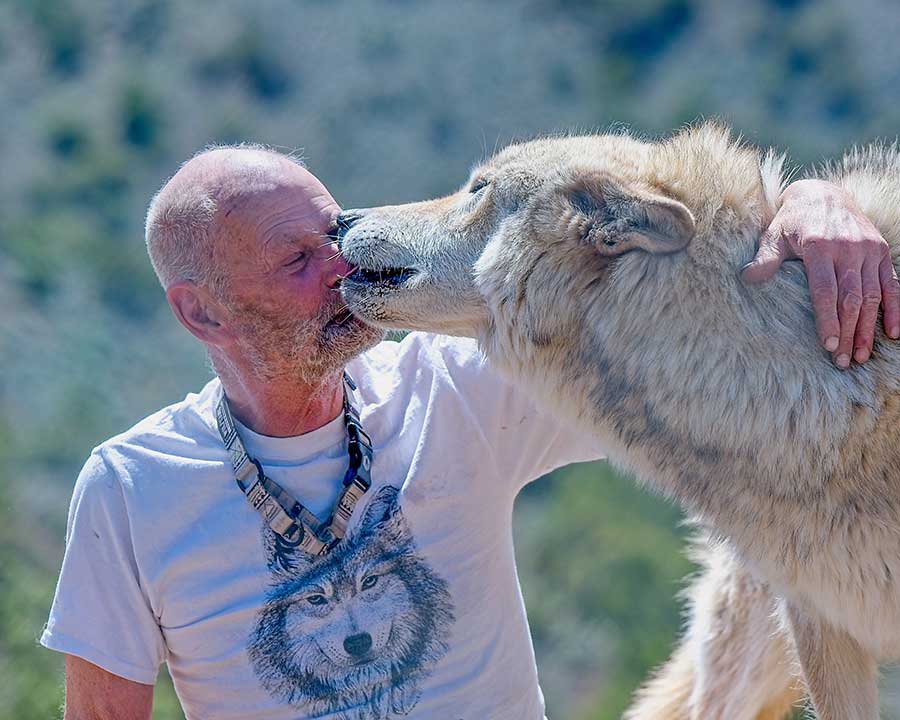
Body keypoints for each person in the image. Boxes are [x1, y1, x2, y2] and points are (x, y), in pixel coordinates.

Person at [41, 145, 899, 720]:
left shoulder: (459, 390)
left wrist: (810, 203)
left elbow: (692, 305)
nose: (344, 267)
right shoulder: (129, 490)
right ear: (200, 312)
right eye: (298, 262)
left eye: (333, 234)